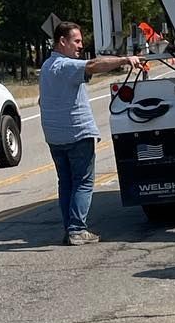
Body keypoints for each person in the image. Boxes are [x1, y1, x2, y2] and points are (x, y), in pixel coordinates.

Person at [38, 22, 131, 245]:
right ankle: (77, 230)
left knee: (66, 183)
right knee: (83, 182)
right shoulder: (66, 65)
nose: (80, 45)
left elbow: (43, 100)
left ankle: (70, 228)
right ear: (62, 41)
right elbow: (94, 65)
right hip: (77, 134)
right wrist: (125, 60)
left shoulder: (47, 67)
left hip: (55, 137)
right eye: (76, 41)